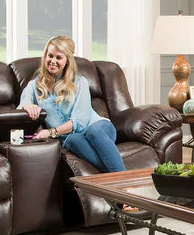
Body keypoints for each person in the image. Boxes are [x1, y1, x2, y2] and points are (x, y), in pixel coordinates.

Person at [19, 35, 127, 173]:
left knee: (93, 132)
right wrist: (28, 105)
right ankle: (117, 176)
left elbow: (80, 121)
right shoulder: (35, 86)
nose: (53, 61)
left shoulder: (80, 82)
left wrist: (51, 132)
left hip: (99, 129)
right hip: (72, 138)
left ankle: (124, 180)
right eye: (50, 56)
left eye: (59, 58)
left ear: (67, 61)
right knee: (72, 140)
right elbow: (23, 104)